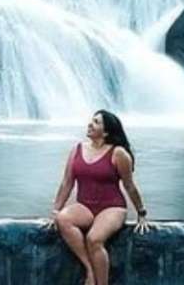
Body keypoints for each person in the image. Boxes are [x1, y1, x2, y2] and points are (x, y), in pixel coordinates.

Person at [47, 110, 150, 285]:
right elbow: (67, 183)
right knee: (63, 219)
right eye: (91, 121)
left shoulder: (118, 154)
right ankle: (89, 270)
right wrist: (56, 210)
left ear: (106, 131)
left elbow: (129, 186)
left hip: (112, 207)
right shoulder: (77, 149)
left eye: (96, 122)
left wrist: (141, 212)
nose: (90, 124)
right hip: (85, 206)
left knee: (94, 239)